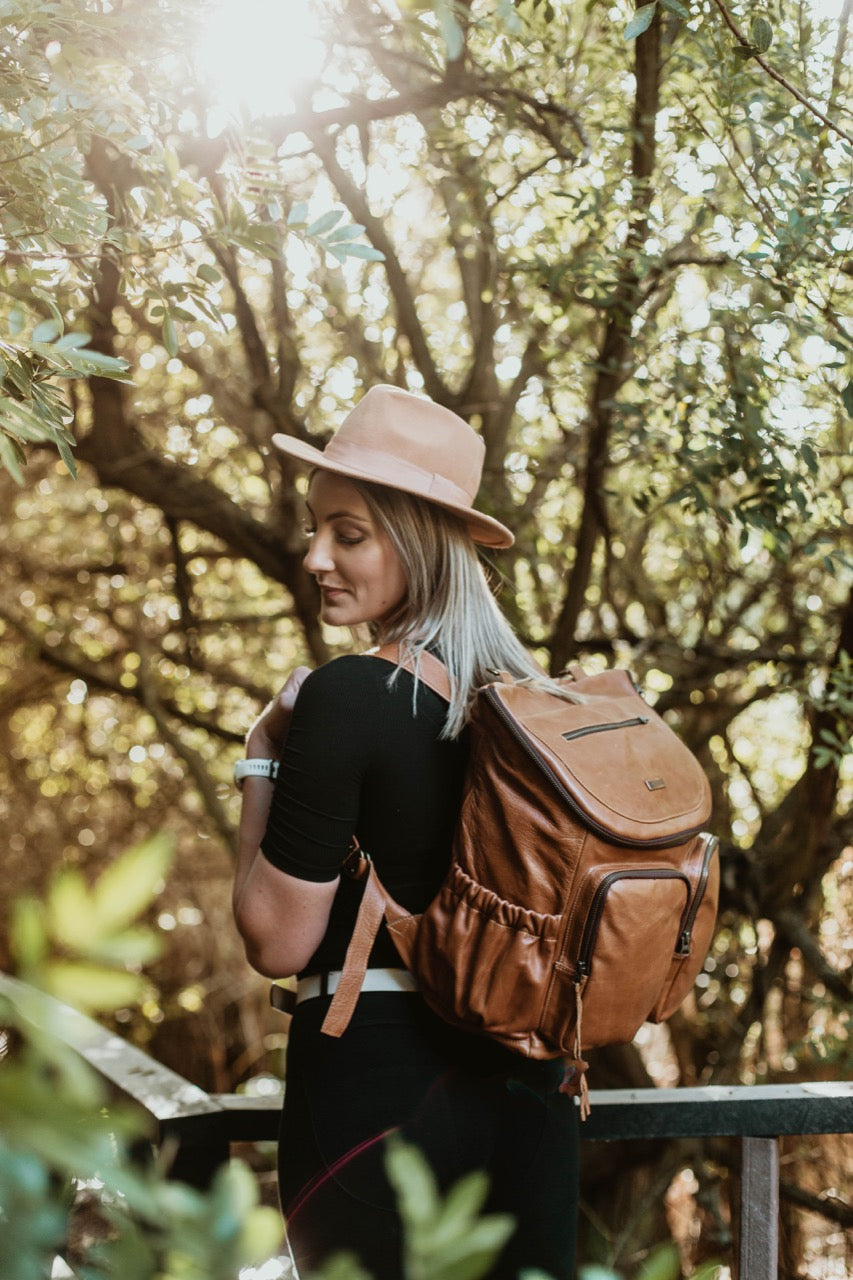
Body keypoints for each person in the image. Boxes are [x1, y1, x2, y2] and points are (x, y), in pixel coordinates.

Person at [232, 385, 580, 1279]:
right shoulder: (534, 713)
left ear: (420, 541)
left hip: (374, 1107)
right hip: (530, 1106)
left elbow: (276, 937)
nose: (315, 557)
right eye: (316, 529)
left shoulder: (349, 696)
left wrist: (262, 753)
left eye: (347, 534)